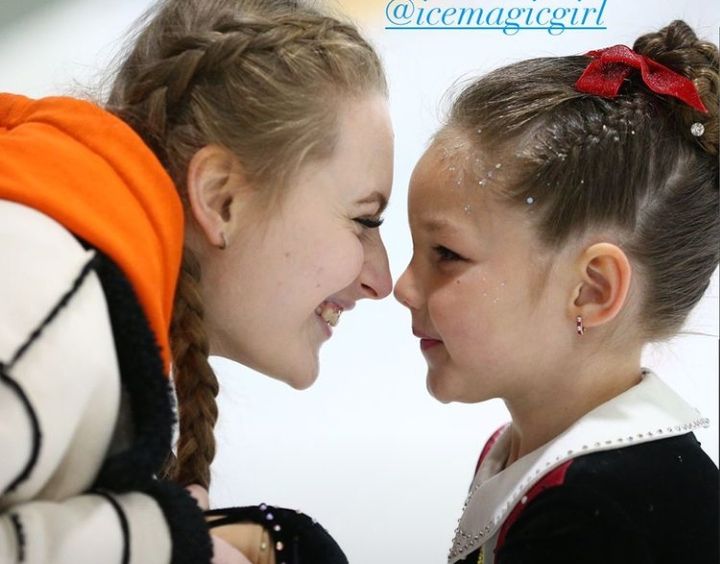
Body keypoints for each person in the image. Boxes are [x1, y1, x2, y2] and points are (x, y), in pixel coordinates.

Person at [0, 0, 392, 562]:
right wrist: (165, 543)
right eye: (364, 220)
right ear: (220, 198)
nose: (381, 279)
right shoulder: (47, 295)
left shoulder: (82, 292)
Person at [394, 19, 718, 564]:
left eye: (446, 254)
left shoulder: (601, 515)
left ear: (592, 289)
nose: (403, 287)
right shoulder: (531, 456)